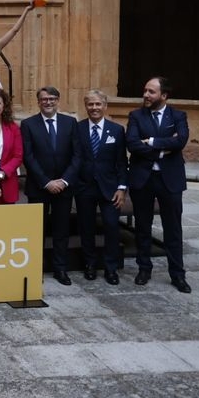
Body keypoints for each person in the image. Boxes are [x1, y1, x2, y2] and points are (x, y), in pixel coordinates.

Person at [126, 76, 191, 293]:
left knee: (173, 229)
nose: (146, 95)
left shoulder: (178, 116)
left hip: (169, 179)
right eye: (145, 90)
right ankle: (144, 269)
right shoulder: (135, 116)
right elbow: (133, 144)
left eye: (151, 92)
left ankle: (178, 274)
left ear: (164, 95)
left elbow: (181, 140)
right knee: (142, 227)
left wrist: (152, 142)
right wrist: (165, 148)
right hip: (142, 179)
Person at [21, 86, 78, 284]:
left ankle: (60, 269)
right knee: (37, 230)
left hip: (64, 187)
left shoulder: (70, 123)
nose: (48, 102)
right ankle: (35, 268)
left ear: (58, 100)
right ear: (38, 102)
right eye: (44, 99)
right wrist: (46, 182)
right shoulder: (28, 124)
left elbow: (77, 155)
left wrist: (63, 181)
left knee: (61, 230)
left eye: (52, 98)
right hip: (39, 187)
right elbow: (28, 156)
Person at [70, 89, 128, 286]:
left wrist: (122, 187)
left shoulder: (117, 130)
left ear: (105, 106)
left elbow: (122, 162)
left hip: (110, 189)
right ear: (85, 106)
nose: (94, 108)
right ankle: (90, 265)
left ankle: (111, 268)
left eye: (97, 104)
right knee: (86, 228)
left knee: (112, 227)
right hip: (84, 188)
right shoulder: (76, 129)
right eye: (90, 104)